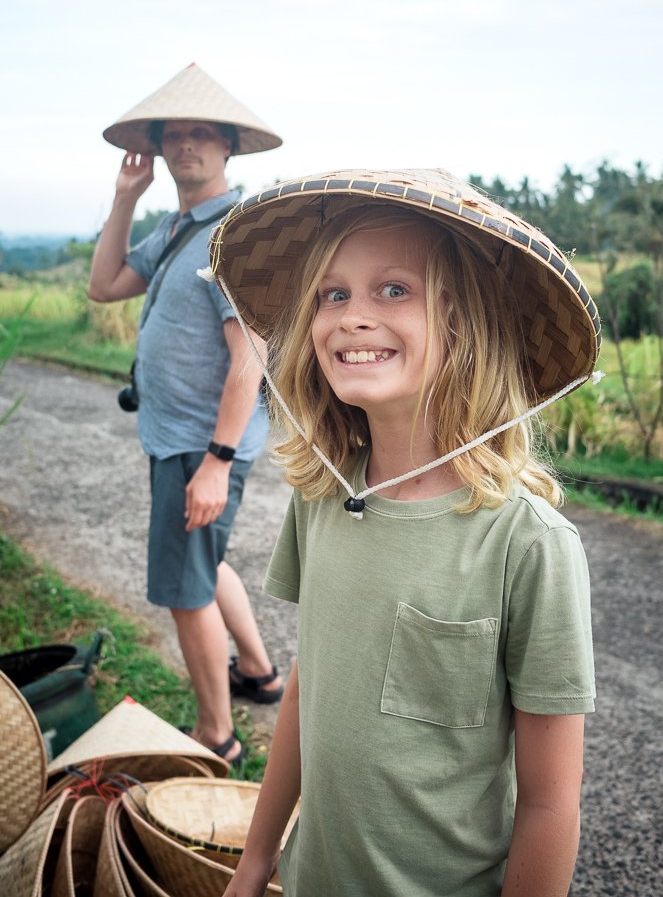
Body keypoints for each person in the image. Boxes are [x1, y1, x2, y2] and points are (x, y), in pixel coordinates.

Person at [205, 167, 601, 894]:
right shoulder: (324, 493)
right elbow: (308, 688)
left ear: (463, 323)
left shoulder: (527, 542)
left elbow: (549, 802)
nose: (353, 315)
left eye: (393, 289)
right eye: (333, 293)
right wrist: (257, 860)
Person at [88, 63, 285, 767]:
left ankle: (215, 735)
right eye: (174, 134)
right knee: (207, 561)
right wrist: (124, 198)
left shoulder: (236, 236)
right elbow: (104, 284)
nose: (185, 146)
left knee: (183, 589)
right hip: (179, 439)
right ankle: (259, 676)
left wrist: (215, 463)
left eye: (202, 134)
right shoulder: (178, 227)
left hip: (201, 448)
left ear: (228, 147)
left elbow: (249, 360)